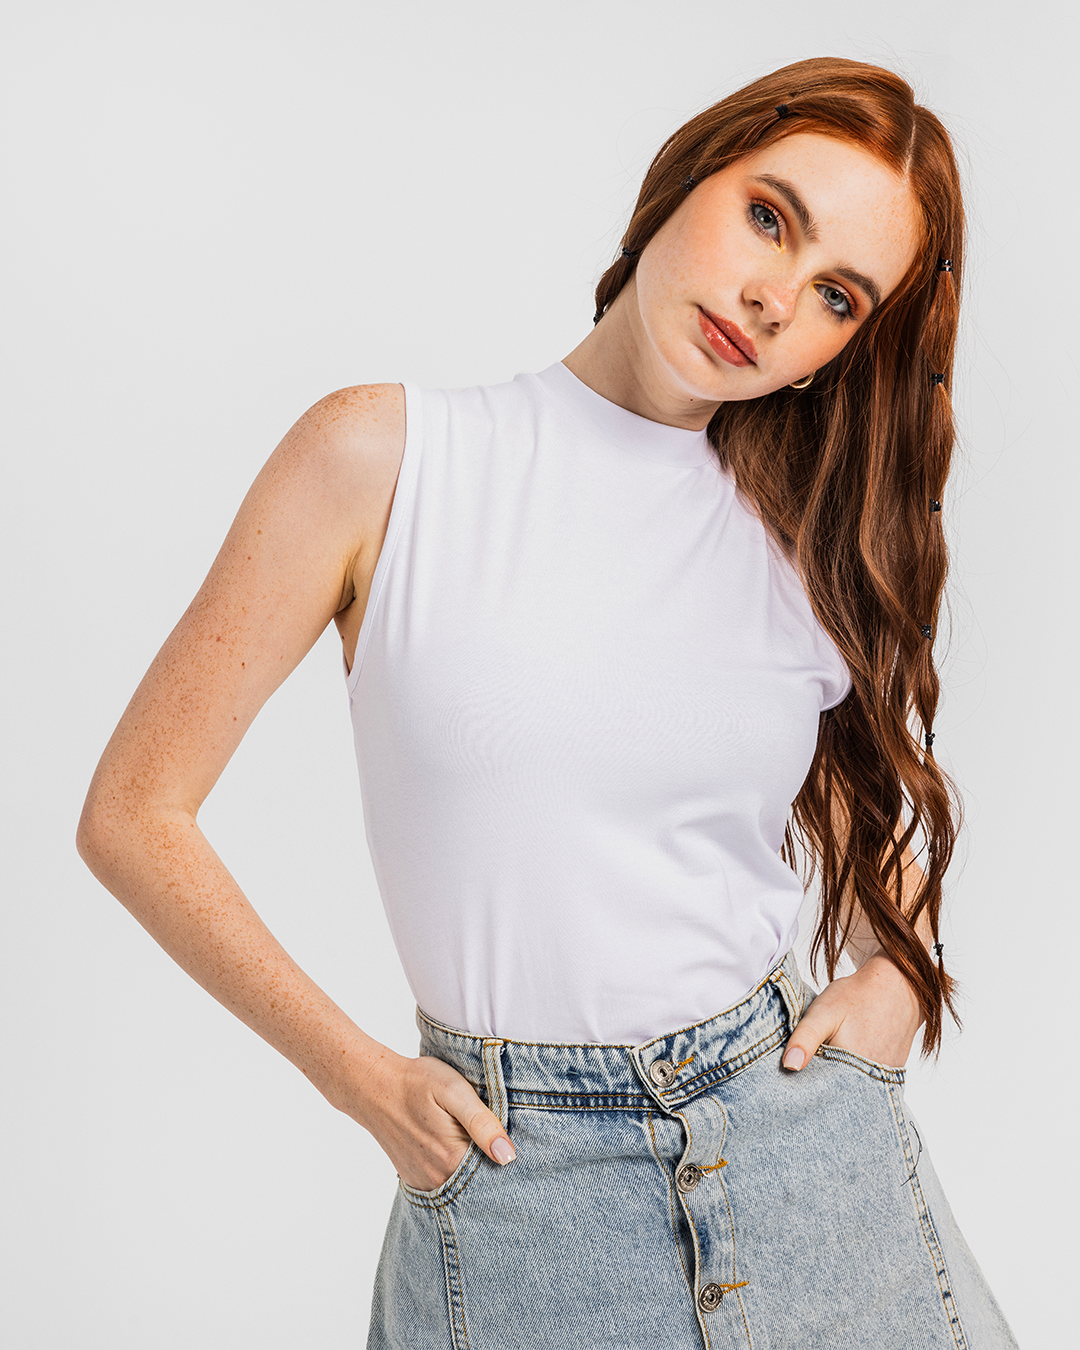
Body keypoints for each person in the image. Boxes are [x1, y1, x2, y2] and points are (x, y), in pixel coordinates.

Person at [78, 56, 1018, 1348]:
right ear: (690, 173)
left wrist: (901, 979)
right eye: (768, 217)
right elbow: (133, 814)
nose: (772, 296)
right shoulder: (386, 461)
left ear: (834, 355)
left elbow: (849, 813)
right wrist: (361, 1080)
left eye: (835, 296)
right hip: (520, 1189)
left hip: (808, 1169)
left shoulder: (796, 540)